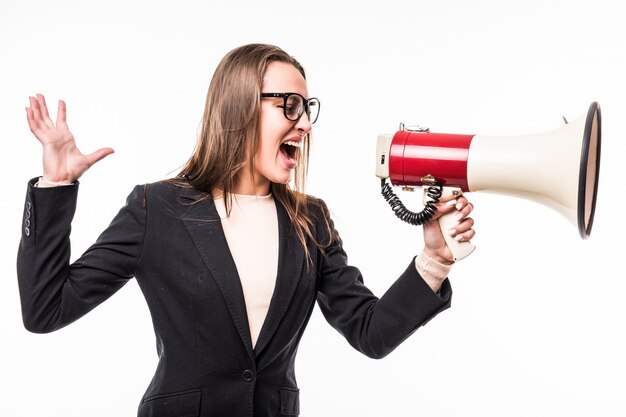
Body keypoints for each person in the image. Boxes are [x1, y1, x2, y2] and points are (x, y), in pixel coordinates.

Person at [18, 43, 475, 417]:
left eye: (308, 107)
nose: (306, 123)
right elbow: (45, 309)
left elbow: (370, 333)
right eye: (290, 106)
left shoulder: (310, 221)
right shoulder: (156, 209)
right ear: (239, 108)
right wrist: (57, 185)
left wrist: (434, 258)